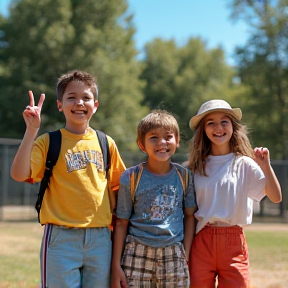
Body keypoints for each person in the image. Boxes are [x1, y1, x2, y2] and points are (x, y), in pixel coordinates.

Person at [10, 70, 126, 288]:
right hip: (61, 239)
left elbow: (119, 189)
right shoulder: (48, 142)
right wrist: (31, 131)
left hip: (101, 238)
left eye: (86, 97)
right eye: (71, 97)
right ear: (60, 105)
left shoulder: (106, 143)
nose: (79, 102)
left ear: (96, 104)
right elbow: (18, 174)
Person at [187, 99, 282, 288]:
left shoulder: (244, 164)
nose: (218, 127)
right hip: (201, 241)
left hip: (233, 241)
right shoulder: (195, 167)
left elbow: (276, 197)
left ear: (232, 126)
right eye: (211, 123)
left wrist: (265, 166)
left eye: (224, 121)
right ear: (204, 131)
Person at [111, 110, 197, 288]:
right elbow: (121, 222)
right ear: (141, 144)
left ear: (177, 141)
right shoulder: (131, 177)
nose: (162, 143)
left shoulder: (185, 176)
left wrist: (185, 254)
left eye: (168, 137)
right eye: (153, 137)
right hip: (136, 251)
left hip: (173, 252)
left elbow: (190, 216)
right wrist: (116, 265)